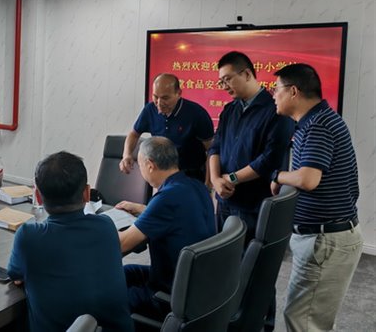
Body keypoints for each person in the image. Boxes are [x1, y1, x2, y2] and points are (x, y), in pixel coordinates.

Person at [270, 63, 363, 332]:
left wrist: (277, 175)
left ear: (293, 91)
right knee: (314, 318)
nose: (273, 95)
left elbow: (308, 179)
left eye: (276, 89)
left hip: (325, 241)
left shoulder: (318, 125)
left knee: (303, 320)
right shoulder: (316, 120)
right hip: (327, 238)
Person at [7, 151, 133, 332]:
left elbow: (15, 275)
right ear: (87, 193)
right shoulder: (106, 226)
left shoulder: (29, 236)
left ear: (38, 196)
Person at [116, 137, 215, 319]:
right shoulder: (195, 185)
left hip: (171, 295)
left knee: (111, 301)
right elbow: (178, 215)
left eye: (140, 165)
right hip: (194, 282)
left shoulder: (166, 198)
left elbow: (122, 244)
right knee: (125, 272)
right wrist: (143, 209)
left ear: (150, 165)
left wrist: (99, 226)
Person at [208, 51, 294, 241]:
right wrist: (215, 179)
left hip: (253, 205)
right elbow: (215, 147)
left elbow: (269, 159)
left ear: (247, 74)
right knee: (220, 253)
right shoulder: (229, 110)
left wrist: (232, 178)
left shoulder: (276, 110)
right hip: (225, 201)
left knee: (248, 256)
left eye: (227, 79)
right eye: (221, 82)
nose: (224, 86)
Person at [120, 73, 214, 183]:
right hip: (161, 175)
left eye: (165, 98)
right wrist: (127, 154)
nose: (159, 103)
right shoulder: (150, 110)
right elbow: (134, 134)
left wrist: (209, 183)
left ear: (178, 93)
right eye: (155, 97)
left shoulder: (197, 114)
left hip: (191, 176)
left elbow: (211, 150)